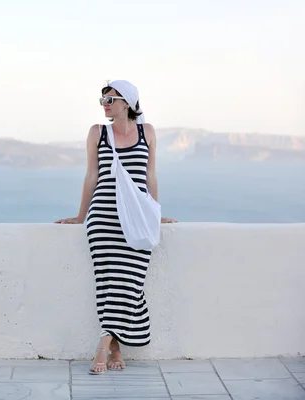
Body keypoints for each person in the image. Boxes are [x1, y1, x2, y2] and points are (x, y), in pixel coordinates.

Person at [55, 79, 177, 374]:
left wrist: (154, 212)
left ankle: (104, 345)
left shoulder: (147, 132)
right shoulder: (97, 133)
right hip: (103, 217)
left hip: (137, 219)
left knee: (130, 280)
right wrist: (81, 215)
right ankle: (115, 349)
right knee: (108, 282)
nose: (105, 105)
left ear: (128, 102)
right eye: (102, 100)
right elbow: (91, 176)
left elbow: (151, 175)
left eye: (110, 99)